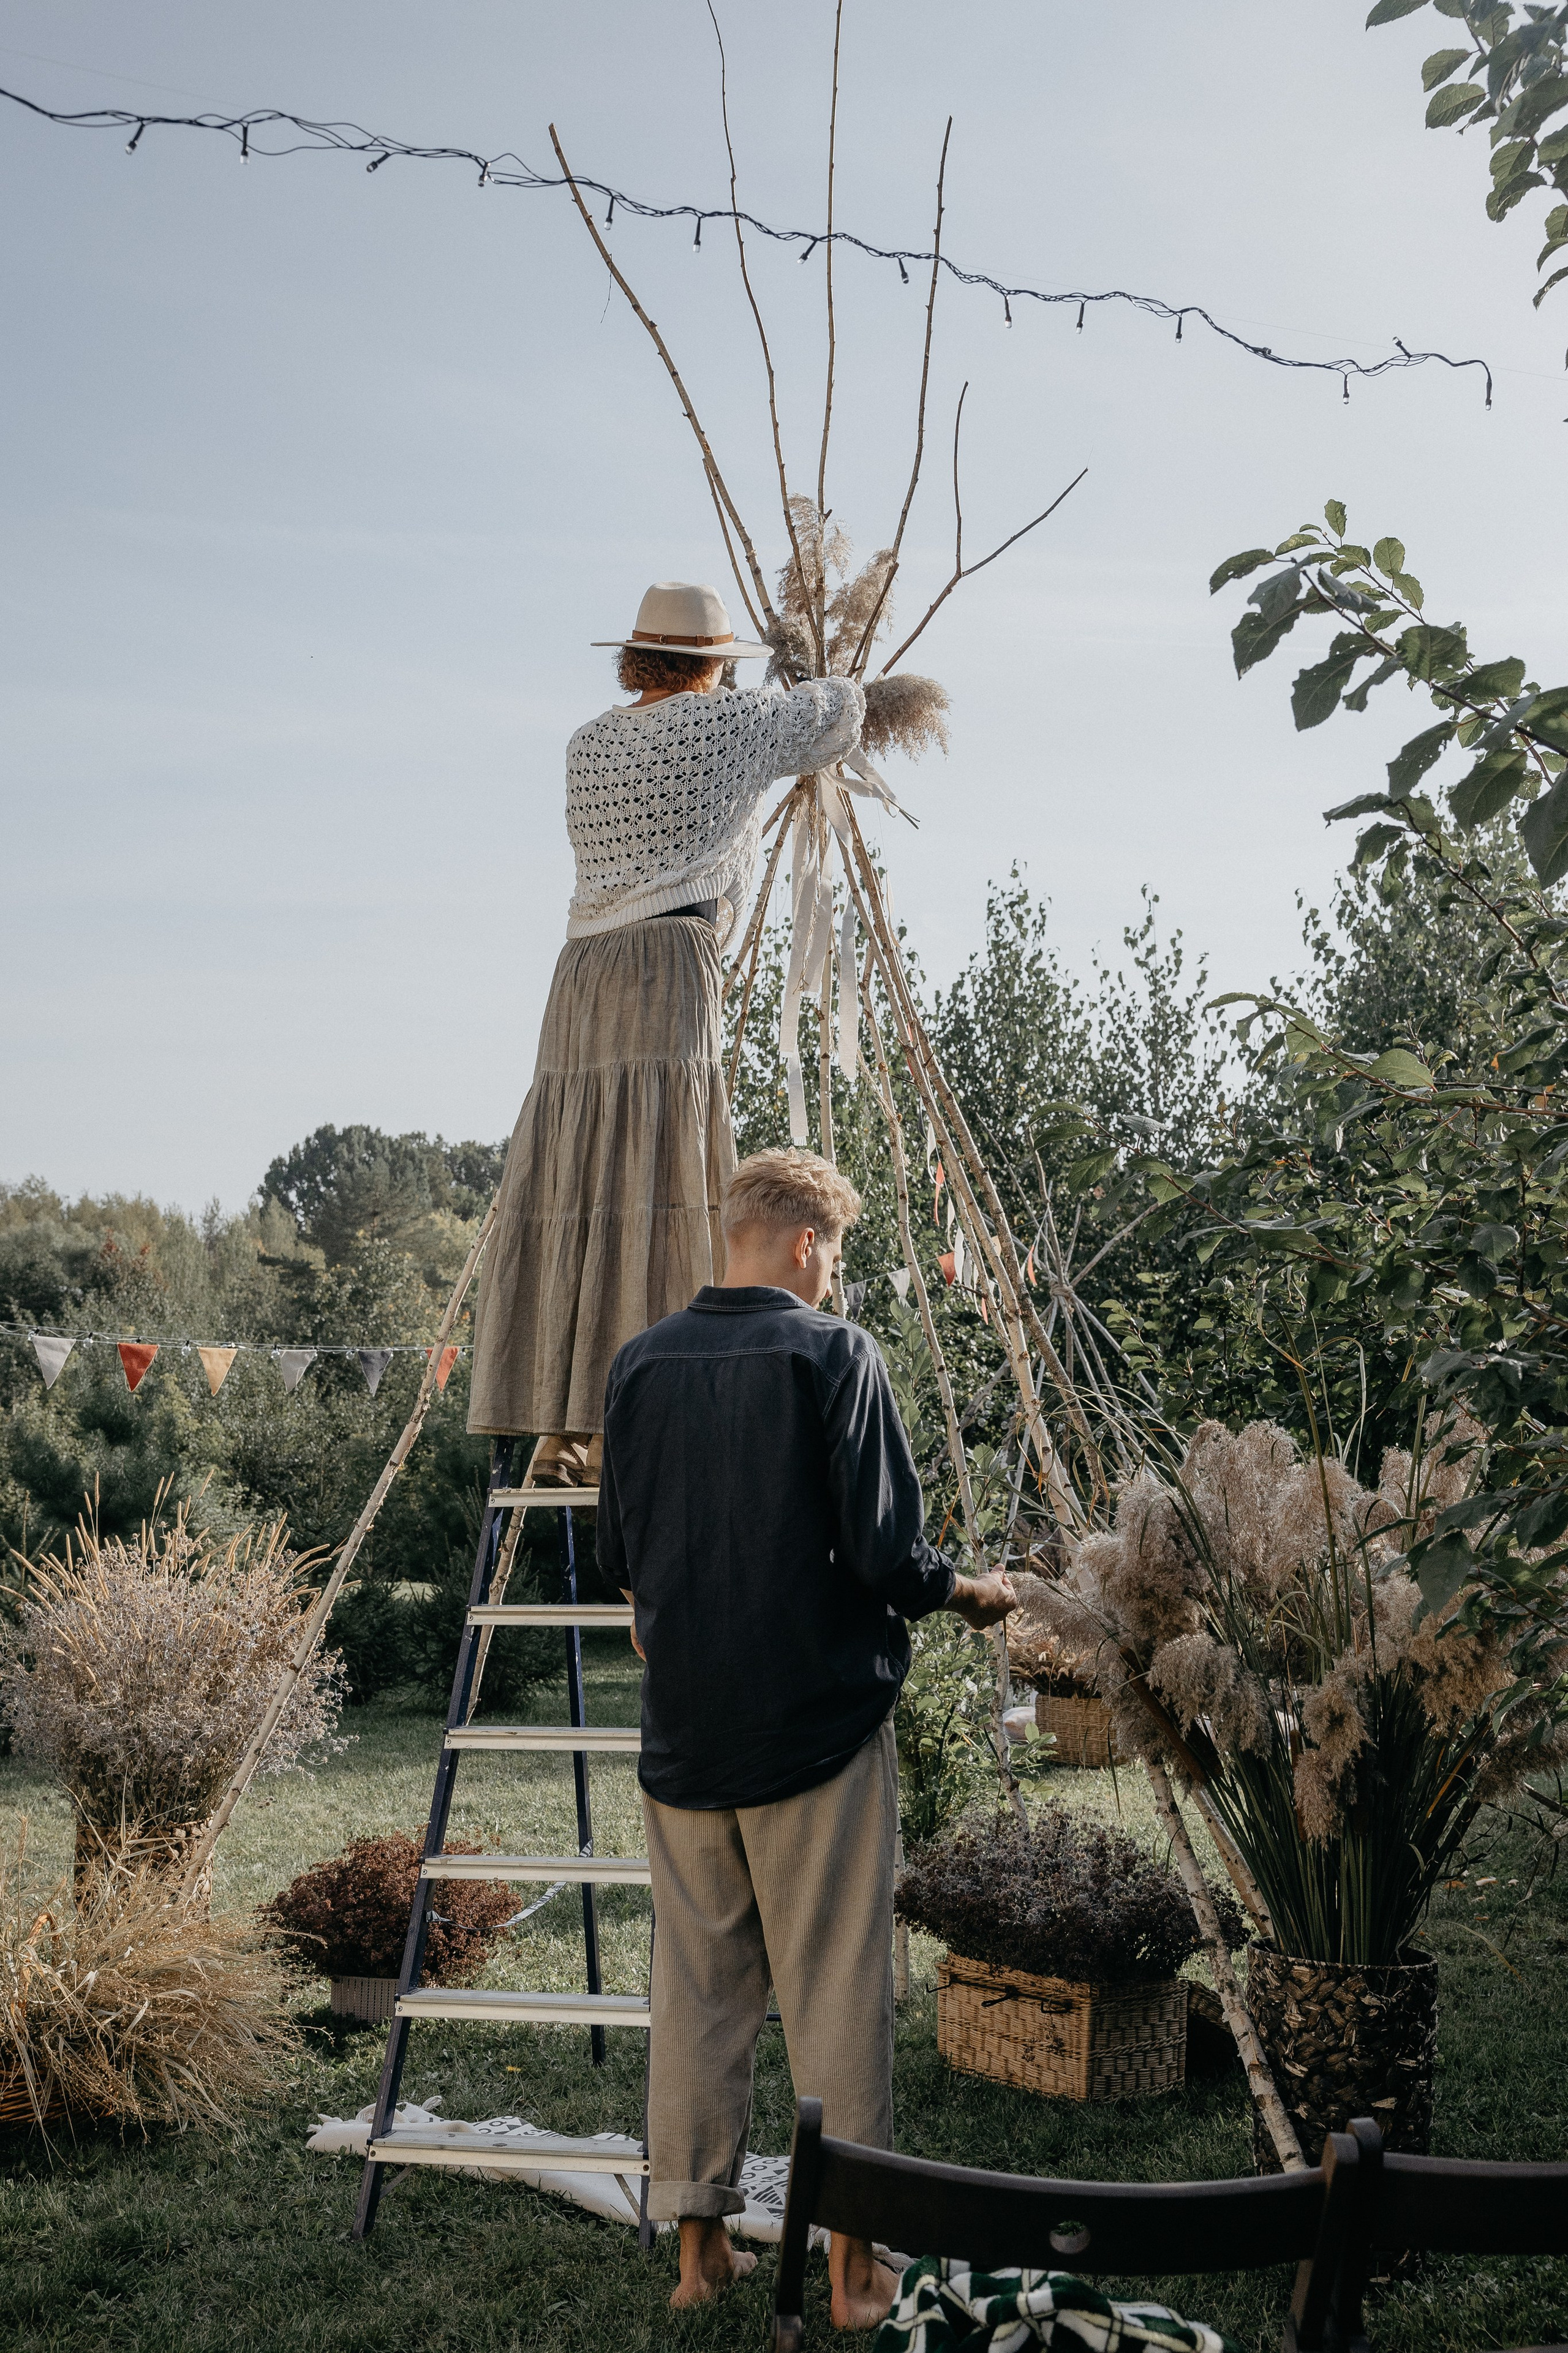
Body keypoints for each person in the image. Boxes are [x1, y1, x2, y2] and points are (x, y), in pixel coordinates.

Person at [597, 1146, 1017, 2324]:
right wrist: (970, 1591)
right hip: (816, 1734)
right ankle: (851, 2269)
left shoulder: (636, 1366)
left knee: (696, 1990)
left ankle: (697, 2257)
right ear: (799, 1241)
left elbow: (619, 1560)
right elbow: (888, 1556)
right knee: (836, 1988)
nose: (835, 1273)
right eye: (834, 1251)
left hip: (685, 1742)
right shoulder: (835, 1354)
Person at [467, 581, 864, 1483]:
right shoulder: (723, 729)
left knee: (579, 1179)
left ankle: (559, 1428)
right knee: (657, 1175)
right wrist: (794, 674)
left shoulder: (588, 744)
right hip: (667, 965)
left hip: (580, 974)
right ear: (713, 662)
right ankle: (619, 1424)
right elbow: (841, 712)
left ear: (636, 656)